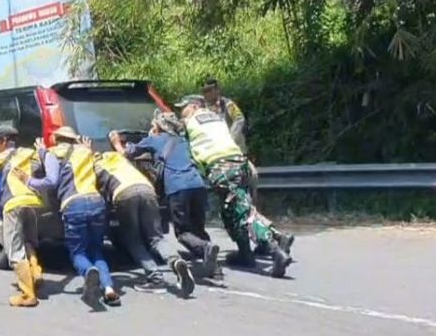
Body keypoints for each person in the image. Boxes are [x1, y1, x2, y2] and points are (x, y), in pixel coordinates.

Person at [176, 94, 295, 277]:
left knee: (242, 214)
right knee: (233, 211)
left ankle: (275, 249)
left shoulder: (190, 122)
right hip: (239, 164)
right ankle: (246, 254)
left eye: (182, 108)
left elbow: (178, 140)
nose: (180, 113)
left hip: (222, 168)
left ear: (193, 106)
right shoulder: (216, 118)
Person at [110, 111, 224, 282]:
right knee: (198, 228)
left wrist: (116, 142)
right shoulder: (183, 140)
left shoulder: (155, 139)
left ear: (158, 126)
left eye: (153, 125)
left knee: (183, 232)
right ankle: (215, 269)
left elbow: (126, 153)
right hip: (198, 185)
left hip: (178, 188)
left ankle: (206, 248)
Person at [27, 127, 120, 307]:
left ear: (57, 139)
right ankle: (109, 289)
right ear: (73, 140)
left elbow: (48, 179)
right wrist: (87, 148)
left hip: (73, 204)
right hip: (97, 202)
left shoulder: (52, 153)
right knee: (96, 250)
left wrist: (40, 154)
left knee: (77, 252)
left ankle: (88, 272)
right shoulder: (86, 152)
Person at [95, 149, 196, 298]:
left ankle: (155, 278)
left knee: (133, 240)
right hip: (147, 189)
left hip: (124, 194)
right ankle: (175, 261)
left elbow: (101, 192)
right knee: (156, 237)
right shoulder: (120, 160)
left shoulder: (97, 166)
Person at [0, 125, 45, 308]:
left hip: (12, 204)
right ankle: (35, 271)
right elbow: (39, 170)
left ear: (4, 141)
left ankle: (28, 295)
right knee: (28, 241)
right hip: (32, 203)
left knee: (14, 249)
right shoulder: (30, 153)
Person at [201, 78, 247, 153]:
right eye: (205, 91)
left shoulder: (227, 104)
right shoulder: (203, 108)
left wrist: (231, 137)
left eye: (209, 91)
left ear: (217, 90)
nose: (207, 94)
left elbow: (239, 119)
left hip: (234, 147)